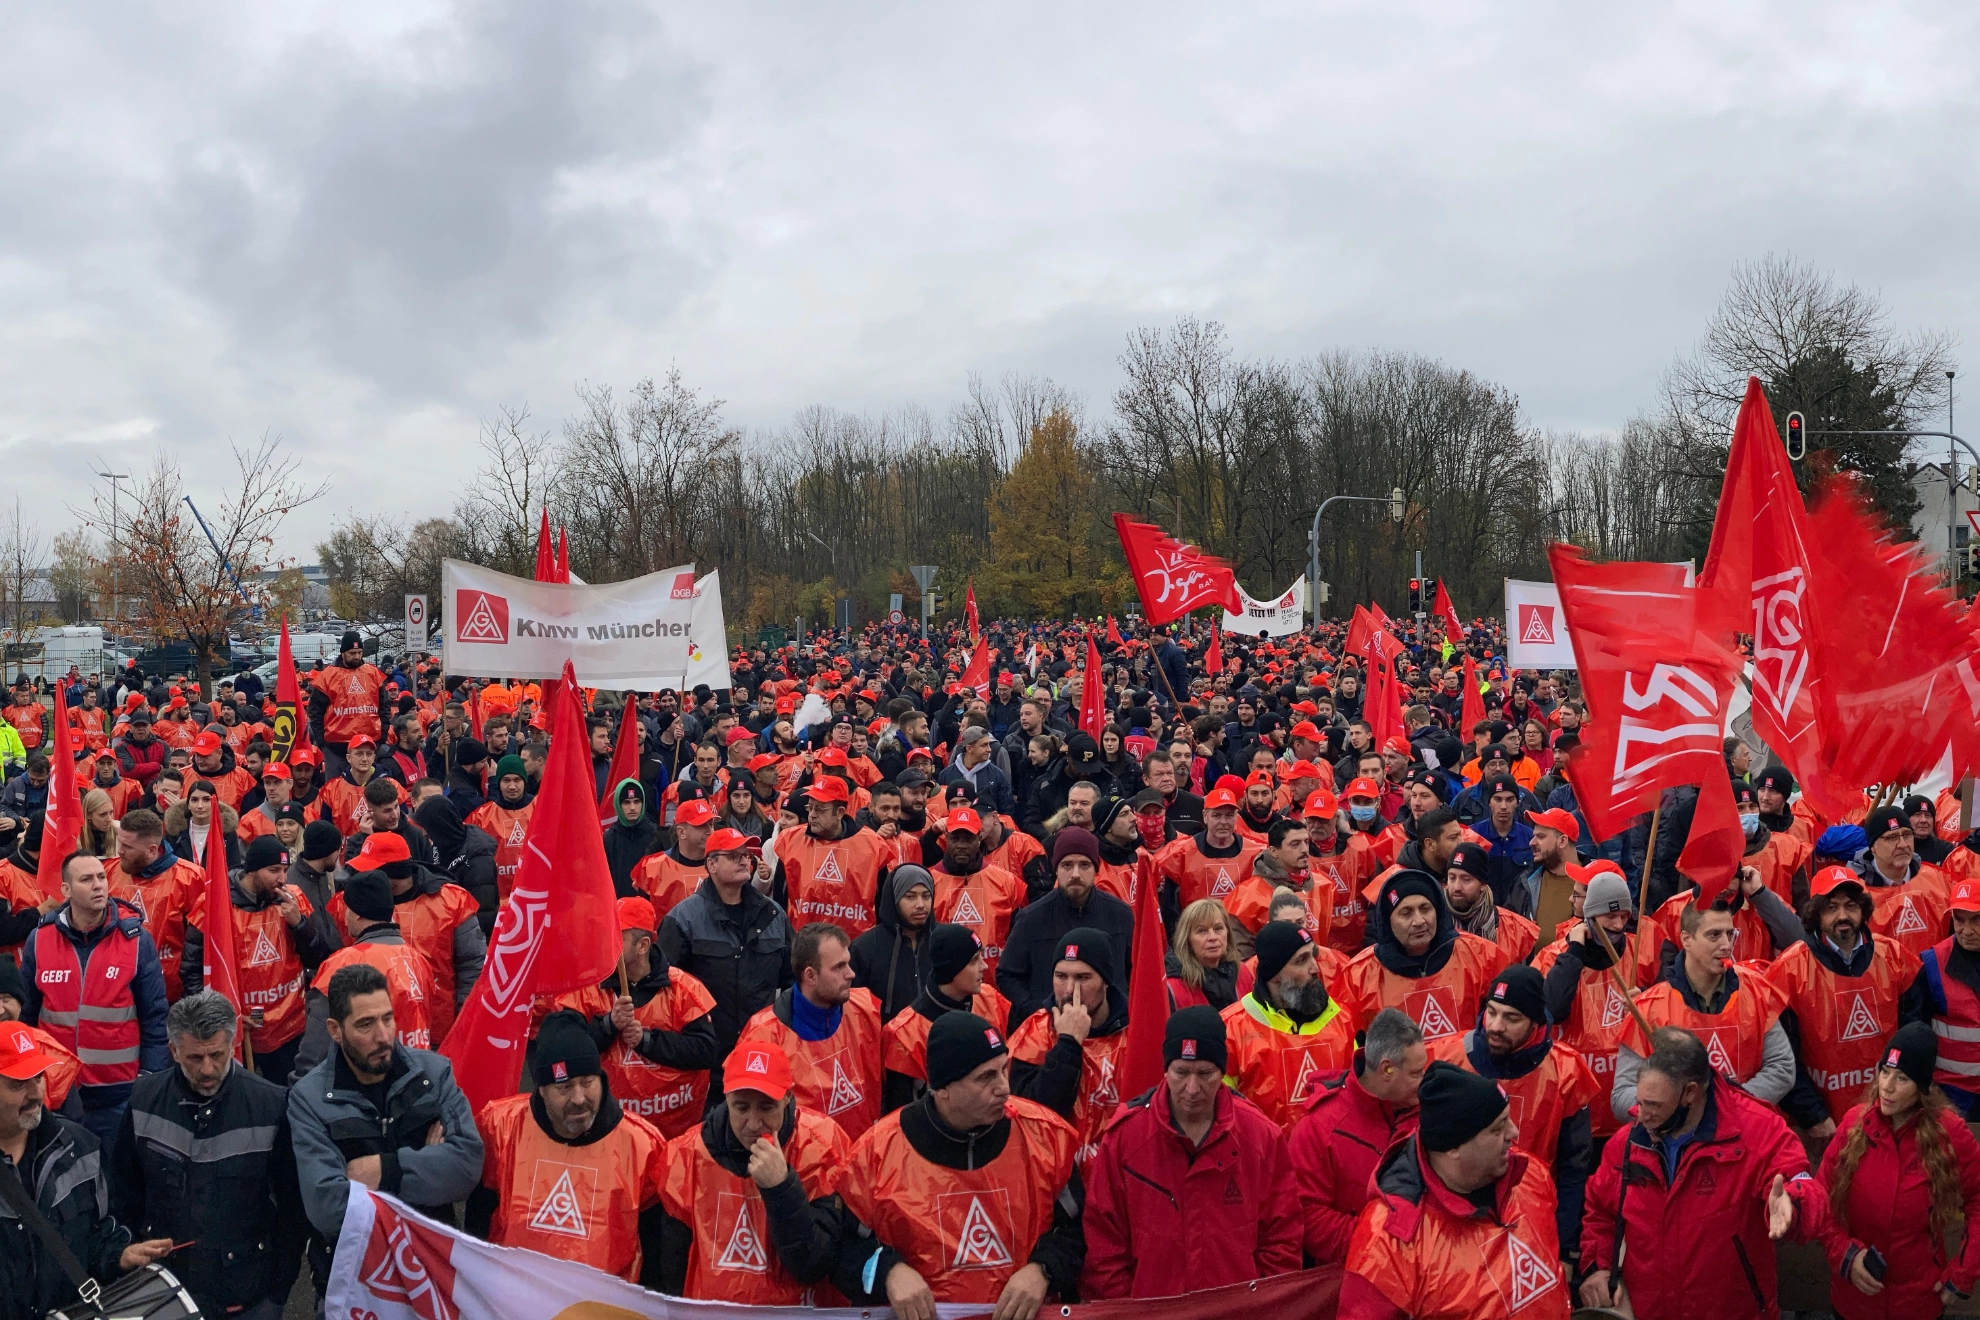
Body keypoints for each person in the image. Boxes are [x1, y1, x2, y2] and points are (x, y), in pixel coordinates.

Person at [838, 1011, 1083, 1315]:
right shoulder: (877, 1153)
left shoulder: (1046, 1137)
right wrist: (888, 1272)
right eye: (986, 1077)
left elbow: (1079, 1230)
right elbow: (841, 1247)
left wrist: (1043, 1269)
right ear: (942, 1089)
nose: (1004, 1088)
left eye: (1003, 1070)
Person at [1580, 1027, 1826, 1320]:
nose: (1640, 1115)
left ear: (1690, 1093)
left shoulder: (1757, 1131)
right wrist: (1599, 1266)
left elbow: (1801, 1182)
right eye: (1641, 1102)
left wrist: (1793, 1203)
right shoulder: (1628, 1142)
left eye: (1654, 1106)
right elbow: (1599, 1209)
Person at [1082, 1004, 1301, 1298]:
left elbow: (1282, 1240)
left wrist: (1260, 1306)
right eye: (1181, 1072)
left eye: (1205, 1073)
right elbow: (1103, 1244)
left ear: (1223, 1071)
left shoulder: (1260, 1137)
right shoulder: (1125, 1139)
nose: (1192, 1088)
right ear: (1166, 1070)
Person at [109, 991, 304, 1320]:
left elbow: (292, 1210)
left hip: (248, 1293)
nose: (208, 1068)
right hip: (163, 1288)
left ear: (232, 1044)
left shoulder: (271, 1105)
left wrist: (277, 1293)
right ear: (174, 1050)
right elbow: (124, 1192)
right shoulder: (143, 1100)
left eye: (217, 1054)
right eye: (195, 1059)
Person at [1340, 1060, 1567, 1319]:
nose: (1513, 1133)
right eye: (1497, 1128)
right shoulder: (1389, 1240)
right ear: (1453, 1147)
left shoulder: (1530, 1175)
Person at [289, 962, 483, 1263]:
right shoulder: (309, 1100)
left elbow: (467, 1166)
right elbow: (328, 1209)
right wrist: (428, 1165)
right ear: (335, 1030)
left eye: (388, 1018)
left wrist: (383, 1170)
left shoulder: (434, 1074)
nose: (383, 1036)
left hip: (433, 1263)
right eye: (365, 1024)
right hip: (357, 1274)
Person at [467, 1009, 669, 1281]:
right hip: (515, 1297)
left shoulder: (643, 1145)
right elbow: (477, 1219)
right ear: (541, 1089)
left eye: (587, 1083)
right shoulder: (501, 1127)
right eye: (564, 1087)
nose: (578, 1098)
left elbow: (657, 1246)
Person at [655, 1040, 859, 1303]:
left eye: (766, 1107)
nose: (753, 1123)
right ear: (726, 1097)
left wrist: (781, 1188)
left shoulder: (823, 1147)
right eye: (741, 1107)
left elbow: (814, 1266)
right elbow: (672, 1272)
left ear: (787, 1097)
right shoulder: (684, 1157)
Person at [1426, 964, 1596, 1267]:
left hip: (1532, 1211)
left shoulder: (1565, 1071)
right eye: (1491, 1012)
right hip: (1458, 1214)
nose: (1495, 1026)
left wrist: (1564, 1245)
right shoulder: (1447, 1058)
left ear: (1535, 1023)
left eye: (1511, 1018)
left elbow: (1574, 1167)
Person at [0, 1026, 174, 1320]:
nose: (35, 1093)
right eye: (18, 1084)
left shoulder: (80, 1147)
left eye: (38, 1077)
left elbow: (96, 1233)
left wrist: (119, 1254)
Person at [1816, 1023, 1980, 1319]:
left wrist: (1963, 1273)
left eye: (1902, 1078)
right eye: (1884, 1071)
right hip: (1854, 1304)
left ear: (1922, 1088)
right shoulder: (1854, 1124)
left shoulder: (1950, 1135)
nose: (1887, 1086)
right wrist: (1845, 1254)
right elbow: (1820, 1200)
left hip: (1919, 1305)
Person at [534, 896, 720, 1139]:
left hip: (675, 1129)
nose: (606, 942)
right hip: (612, 1130)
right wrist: (609, 1025)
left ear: (643, 945)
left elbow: (706, 1051)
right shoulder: (586, 988)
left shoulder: (684, 989)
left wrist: (648, 1041)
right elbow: (561, 1047)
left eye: (617, 936)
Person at [20, 851, 169, 1147]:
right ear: (66, 890)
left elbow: (154, 1016)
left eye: (101, 877)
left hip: (119, 1094)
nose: (99, 885)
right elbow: (28, 1014)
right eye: (86, 879)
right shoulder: (40, 940)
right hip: (56, 1093)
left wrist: (149, 1078)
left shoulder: (136, 941)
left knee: (115, 1184)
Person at [1767, 864, 1925, 1136]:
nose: (1842, 916)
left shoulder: (1896, 959)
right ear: (1816, 914)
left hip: (1890, 1112)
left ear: (1863, 910)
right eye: (1831, 908)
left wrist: (1901, 1100)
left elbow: (1916, 1034)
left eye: (1850, 905)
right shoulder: (1787, 972)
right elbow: (1782, 1058)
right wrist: (1814, 1116)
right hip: (1822, 1124)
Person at [1289, 1008, 1427, 1304]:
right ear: (1388, 1069)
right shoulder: (1319, 1128)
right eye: (1416, 1073)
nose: (1425, 1081)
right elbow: (1309, 1218)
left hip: (1422, 1284)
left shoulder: (1428, 1113)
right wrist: (1386, 1242)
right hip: (1350, 1290)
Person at [1614, 897, 1796, 1118]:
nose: (1726, 945)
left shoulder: (1757, 991)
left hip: (1745, 1131)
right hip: (1676, 1141)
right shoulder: (1648, 1008)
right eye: (1714, 935)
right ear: (1686, 939)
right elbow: (1622, 1096)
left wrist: (1728, 1106)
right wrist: (1678, 1107)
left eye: (1730, 934)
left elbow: (1782, 1067)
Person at [181, 834, 336, 1082]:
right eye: (274, 870)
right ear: (252, 870)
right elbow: (192, 971)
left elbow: (319, 959)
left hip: (289, 1028)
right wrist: (219, 1015)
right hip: (237, 1030)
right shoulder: (213, 904)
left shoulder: (293, 900)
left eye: (285, 870)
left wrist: (300, 924)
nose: (282, 879)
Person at [656, 828, 794, 1098]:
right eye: (733, 856)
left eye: (745, 855)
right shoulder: (682, 920)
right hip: (708, 1063)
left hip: (762, 1057)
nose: (744, 860)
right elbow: (665, 992)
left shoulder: (773, 914)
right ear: (711, 865)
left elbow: (793, 980)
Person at [1532, 863, 1659, 1146]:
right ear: (1590, 915)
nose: (1617, 925)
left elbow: (1668, 1015)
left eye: (1623, 916)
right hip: (1577, 1104)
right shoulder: (1554, 957)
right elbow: (1551, 1011)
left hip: (1626, 1105)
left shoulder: (1643, 952)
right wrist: (1574, 954)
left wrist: (1648, 1000)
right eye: (1609, 916)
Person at [326, 828, 484, 1045]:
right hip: (372, 1035)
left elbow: (473, 965)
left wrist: (464, 1020)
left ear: (393, 874)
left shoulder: (452, 902)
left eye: (369, 869)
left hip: (438, 1031)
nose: (362, 876)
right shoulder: (349, 903)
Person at [734, 922, 884, 1139]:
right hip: (803, 1164)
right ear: (810, 976)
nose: (851, 974)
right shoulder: (763, 1036)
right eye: (839, 967)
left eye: (848, 964)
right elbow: (750, 1120)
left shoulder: (866, 1009)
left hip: (862, 1158)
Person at [1341, 869, 1511, 1047]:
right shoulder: (1358, 976)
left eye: (1425, 909)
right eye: (1406, 913)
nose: (1419, 921)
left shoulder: (1482, 956)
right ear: (1388, 921)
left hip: (1467, 1071)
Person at [1007, 925, 1130, 1166]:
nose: (1070, 989)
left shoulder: (1134, 1031)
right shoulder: (1032, 1034)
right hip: (1058, 1179)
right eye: (1061, 976)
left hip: (1121, 1170)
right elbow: (1032, 1119)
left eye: (1083, 978)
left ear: (1105, 981)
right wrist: (1068, 1045)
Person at [296, 867, 440, 1073]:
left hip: (365, 1082)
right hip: (415, 1076)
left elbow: (317, 1045)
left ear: (356, 913)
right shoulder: (417, 959)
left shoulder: (343, 963)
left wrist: (302, 1085)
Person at [1222, 920, 1356, 1129]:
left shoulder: (1343, 1019)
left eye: (1313, 955)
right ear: (1274, 975)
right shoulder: (1231, 1030)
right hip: (1267, 1157)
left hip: (1332, 1156)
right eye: (1301, 960)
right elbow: (1221, 1113)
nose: (1315, 968)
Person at [995, 826, 1133, 1029]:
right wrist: (1039, 1011)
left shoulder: (1120, 914)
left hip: (1111, 1032)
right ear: (1055, 869)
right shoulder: (1031, 918)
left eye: (1084, 865)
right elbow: (1006, 975)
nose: (1075, 874)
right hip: (1049, 1031)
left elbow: (1135, 970)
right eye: (1067, 865)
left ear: (1096, 869)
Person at [881, 924, 1009, 1109]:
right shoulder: (904, 1035)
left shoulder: (991, 999)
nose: (984, 966)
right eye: (974, 960)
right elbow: (901, 1112)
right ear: (951, 969)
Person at [106, 807, 203, 1002]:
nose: (119, 851)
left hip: (169, 995)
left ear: (151, 850)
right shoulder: (108, 870)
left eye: (128, 846)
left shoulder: (191, 879)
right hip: (114, 989)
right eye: (119, 842)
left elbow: (201, 947)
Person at [928, 806, 1026, 980]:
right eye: (956, 838)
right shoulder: (928, 882)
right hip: (945, 987)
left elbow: (1020, 940)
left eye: (968, 838)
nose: (962, 845)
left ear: (980, 837)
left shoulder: (1006, 882)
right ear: (946, 838)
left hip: (996, 987)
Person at [1921, 879, 1980, 1114]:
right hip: (1952, 1097)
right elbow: (1918, 1030)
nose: (1966, 931)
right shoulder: (1931, 964)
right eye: (1959, 920)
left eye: (1976, 920)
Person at [849, 863, 934, 1023]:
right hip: (885, 1041)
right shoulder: (866, 948)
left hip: (936, 1040)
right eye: (910, 896)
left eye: (926, 896)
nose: (920, 904)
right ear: (894, 899)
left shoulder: (943, 942)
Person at [1443, 839, 1538, 962]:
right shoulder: (1434, 925)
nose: (1456, 887)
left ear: (1482, 884)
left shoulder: (1516, 930)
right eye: (1452, 878)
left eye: (1466, 879)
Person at [630, 794, 713, 921]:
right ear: (681, 832)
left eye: (711, 824)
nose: (709, 831)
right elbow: (640, 919)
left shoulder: (722, 865)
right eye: (701, 825)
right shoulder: (652, 868)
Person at [464, 753, 534, 903]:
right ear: (499, 782)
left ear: (524, 781)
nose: (512, 786)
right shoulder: (481, 816)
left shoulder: (542, 809)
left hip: (536, 896)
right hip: (498, 901)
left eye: (517, 780)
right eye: (506, 780)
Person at [1165, 896, 1249, 1011]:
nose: (1212, 937)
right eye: (1202, 931)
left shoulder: (1243, 973)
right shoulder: (1173, 988)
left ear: (1228, 933)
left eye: (1218, 928)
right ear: (1187, 939)